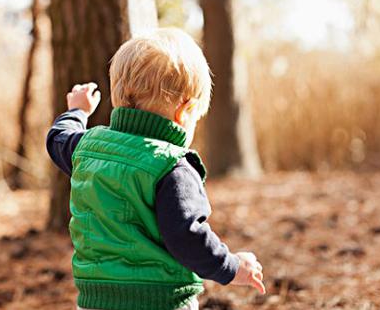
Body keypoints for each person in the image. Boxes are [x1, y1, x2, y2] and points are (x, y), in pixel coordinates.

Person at [46, 28, 265, 310]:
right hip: (161, 302)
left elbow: (57, 139)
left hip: (95, 301)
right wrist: (233, 266)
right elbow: (188, 237)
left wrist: (78, 112)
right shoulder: (172, 167)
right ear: (185, 110)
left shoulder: (87, 148)